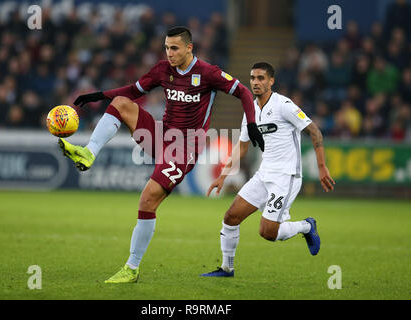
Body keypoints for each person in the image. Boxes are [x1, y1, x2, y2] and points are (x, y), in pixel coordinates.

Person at [58, 26, 264, 283]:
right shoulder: (162, 70)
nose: (169, 53)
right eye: (167, 48)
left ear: (189, 48)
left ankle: (131, 269)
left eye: (175, 48)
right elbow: (133, 90)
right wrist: (100, 95)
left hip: (185, 148)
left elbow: (244, 92)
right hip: (161, 135)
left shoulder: (208, 73)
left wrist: (252, 123)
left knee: (147, 201)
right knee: (120, 104)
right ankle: (89, 153)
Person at [201, 62, 335, 277]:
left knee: (268, 232)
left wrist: (322, 167)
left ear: (271, 81)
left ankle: (306, 226)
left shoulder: (284, 105)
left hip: (286, 176)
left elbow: (314, 131)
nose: (255, 82)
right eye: (253, 78)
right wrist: (223, 176)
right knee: (231, 217)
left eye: (261, 78)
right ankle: (227, 268)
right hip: (264, 174)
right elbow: (242, 146)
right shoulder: (250, 110)